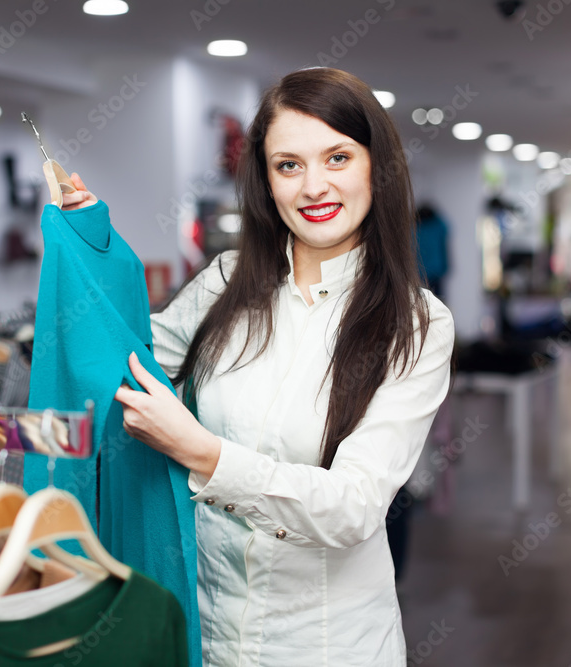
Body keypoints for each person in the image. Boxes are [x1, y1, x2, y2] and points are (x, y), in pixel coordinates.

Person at [62, 67, 455, 666]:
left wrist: (202, 452)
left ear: (378, 166)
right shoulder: (225, 282)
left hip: (327, 647)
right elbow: (124, 368)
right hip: (206, 634)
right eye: (288, 165)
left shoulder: (416, 324)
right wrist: (93, 251)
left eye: (338, 158)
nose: (313, 186)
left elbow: (353, 505)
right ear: (267, 182)